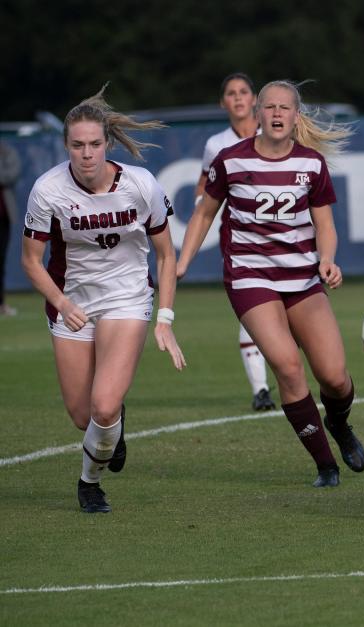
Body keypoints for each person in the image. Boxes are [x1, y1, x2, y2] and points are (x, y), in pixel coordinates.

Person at [177, 79, 364, 488]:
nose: (277, 114)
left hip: (302, 277)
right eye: (270, 107)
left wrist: (328, 260)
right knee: (288, 367)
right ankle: (325, 465)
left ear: (296, 116)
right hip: (250, 277)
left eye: (285, 108)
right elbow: (204, 214)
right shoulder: (230, 160)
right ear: (257, 114)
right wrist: (182, 261)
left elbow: (325, 225)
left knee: (334, 376)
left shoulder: (312, 164)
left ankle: (339, 424)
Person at [20, 86, 186, 513]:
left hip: (127, 299)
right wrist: (62, 302)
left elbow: (167, 255)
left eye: (94, 144)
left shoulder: (140, 185)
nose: (87, 153)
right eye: (77, 145)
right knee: (83, 416)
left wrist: (164, 318)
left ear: (107, 144)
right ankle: (114, 423)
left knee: (104, 404)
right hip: (72, 303)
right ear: (66, 146)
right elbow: (31, 262)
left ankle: (89, 484)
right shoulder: (48, 190)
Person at [192, 72, 275, 411]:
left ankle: (293, 378)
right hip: (240, 237)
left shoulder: (274, 130)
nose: (239, 98)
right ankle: (261, 390)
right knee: (251, 310)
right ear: (222, 102)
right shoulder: (217, 144)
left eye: (244, 92)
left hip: (284, 235)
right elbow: (203, 191)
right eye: (231, 93)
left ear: (254, 98)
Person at [0, 140, 22, 316]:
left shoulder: (7, 151)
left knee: (1, 262)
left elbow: (11, 174)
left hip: (3, 218)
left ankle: (1, 304)